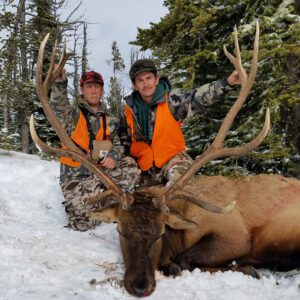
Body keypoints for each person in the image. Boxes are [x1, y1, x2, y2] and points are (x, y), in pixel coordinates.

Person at [118, 59, 241, 186]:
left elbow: (197, 97)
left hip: (172, 161)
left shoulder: (173, 100)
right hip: (143, 169)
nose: (145, 84)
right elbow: (124, 144)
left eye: (149, 78)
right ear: (134, 85)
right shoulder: (127, 111)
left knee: (179, 186)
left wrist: (227, 82)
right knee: (126, 195)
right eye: (140, 80)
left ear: (156, 79)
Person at [50, 70, 141, 231]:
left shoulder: (109, 118)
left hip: (100, 171)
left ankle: (104, 199)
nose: (93, 90)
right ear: (82, 89)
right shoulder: (71, 115)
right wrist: (59, 84)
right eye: (89, 86)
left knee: (130, 167)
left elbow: (118, 145)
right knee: (86, 223)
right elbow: (58, 106)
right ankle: (80, 205)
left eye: (97, 87)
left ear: (102, 90)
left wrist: (113, 155)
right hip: (76, 176)